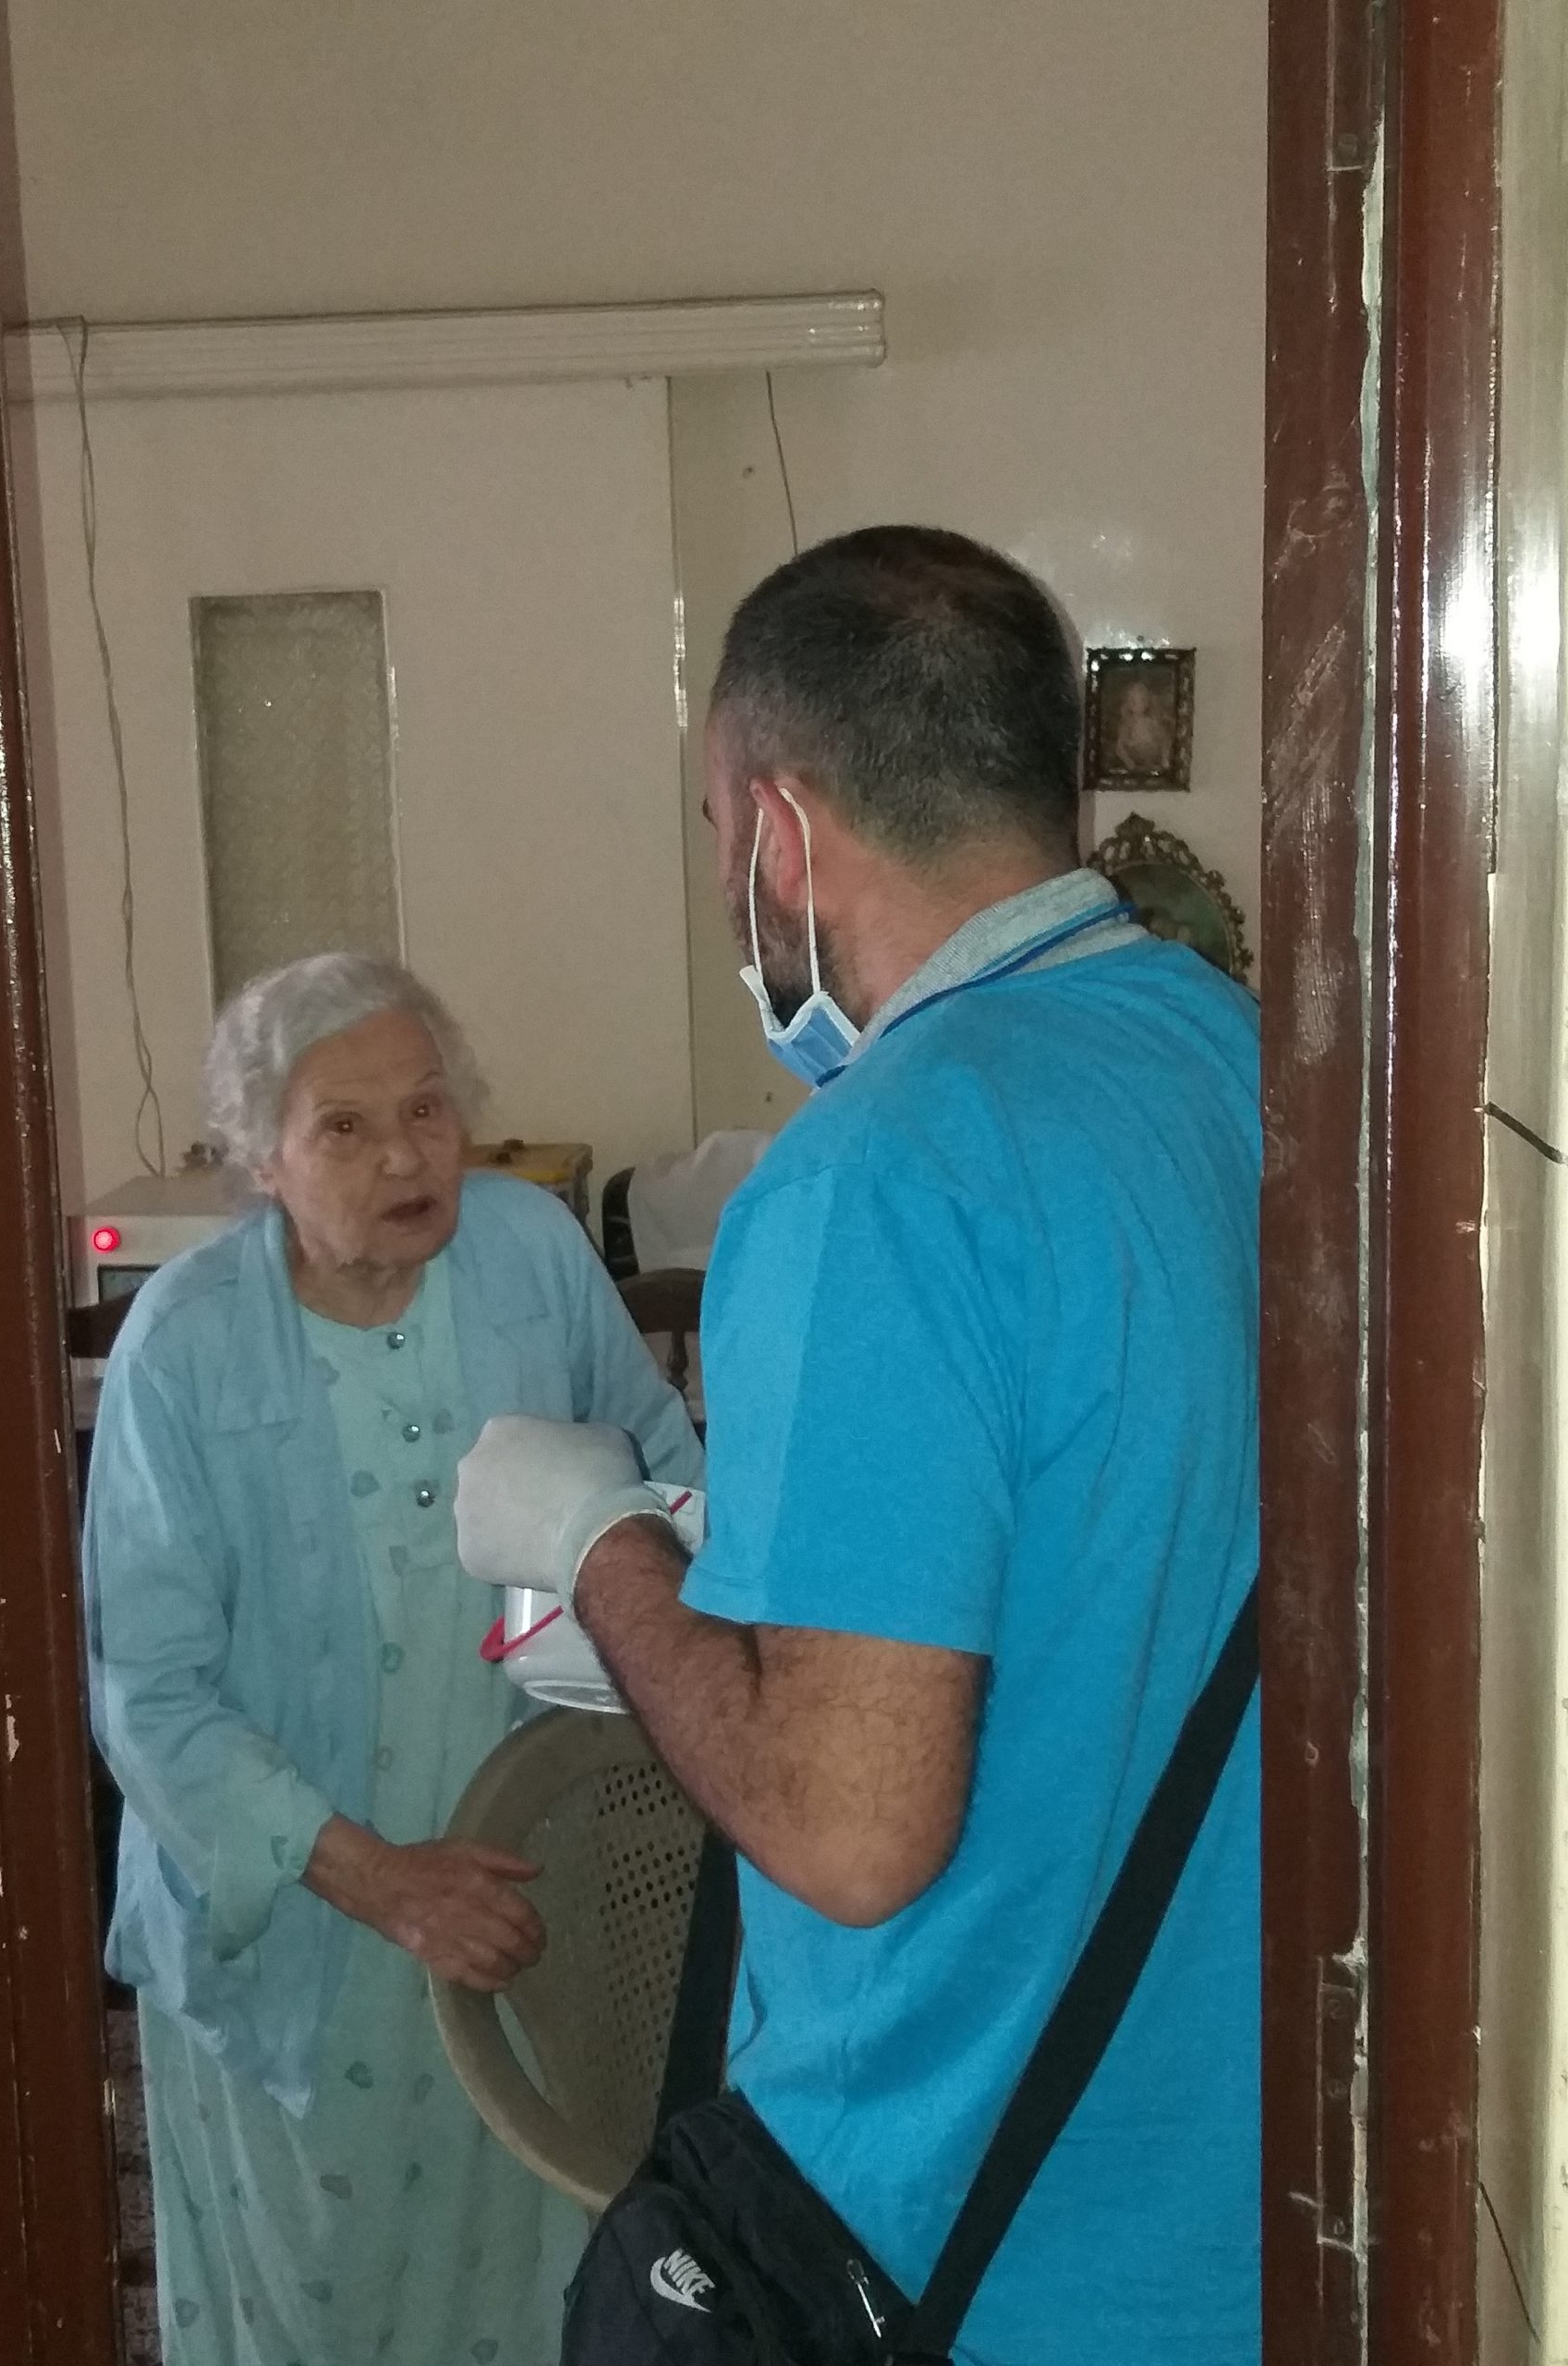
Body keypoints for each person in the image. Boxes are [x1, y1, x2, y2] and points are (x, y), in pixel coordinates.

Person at [456, 527, 1260, 2363]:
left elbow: (849, 1827)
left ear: (780, 834)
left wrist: (599, 1544)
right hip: (1231, 2184)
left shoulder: (878, 1173)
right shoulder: (1231, 1056)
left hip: (971, 2244)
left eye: (716, 835)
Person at [84, 951, 703, 2366]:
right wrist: (386, 1885)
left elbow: (664, 1473)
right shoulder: (184, 1347)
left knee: (536, 2265)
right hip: (306, 1923)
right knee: (319, 2300)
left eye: (428, 1109)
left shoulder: (531, 1252)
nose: (407, 1156)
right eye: (346, 1128)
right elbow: (148, 1696)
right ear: (262, 1160)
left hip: (522, 1885)